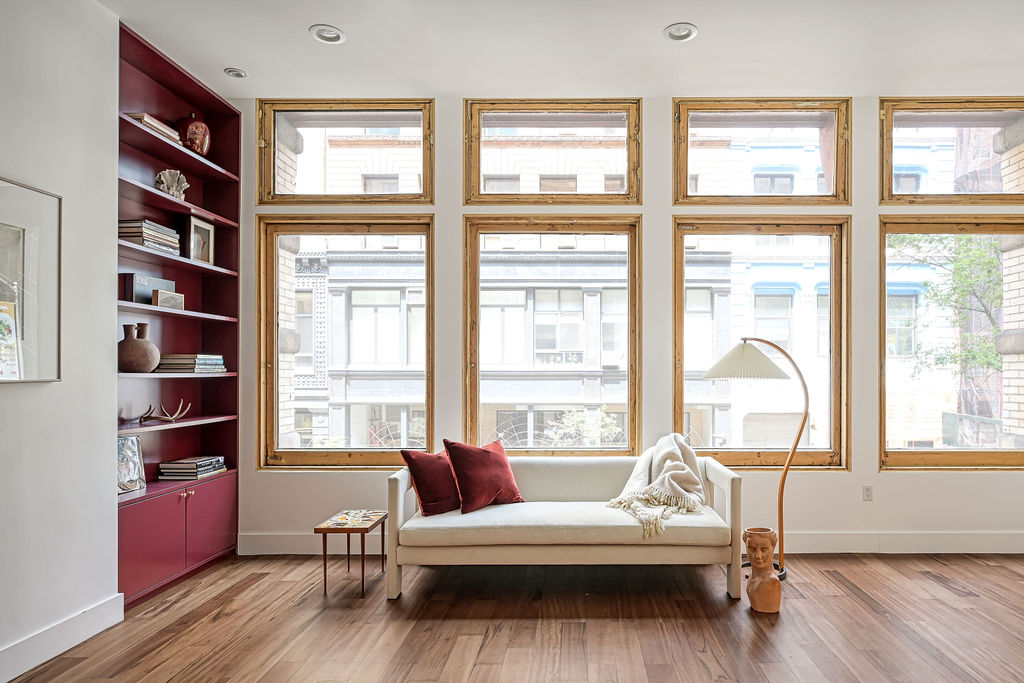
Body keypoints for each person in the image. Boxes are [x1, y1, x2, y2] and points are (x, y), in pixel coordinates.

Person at [743, 527, 782, 613]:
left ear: (773, 548)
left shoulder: (773, 583)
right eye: (752, 549)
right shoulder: (752, 578)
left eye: (764, 550)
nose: (758, 555)